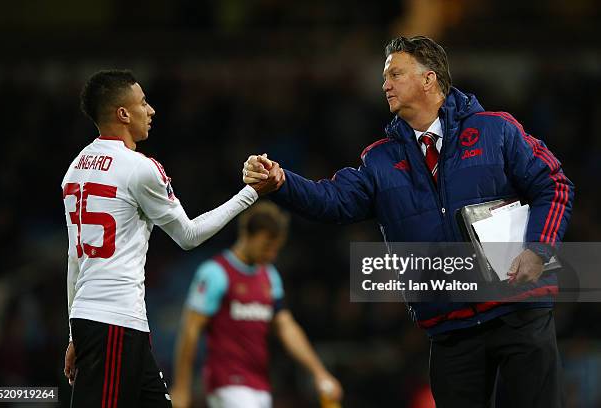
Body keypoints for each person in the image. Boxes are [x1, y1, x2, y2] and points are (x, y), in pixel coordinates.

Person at [242, 36, 574, 407]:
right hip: (451, 326)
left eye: (395, 74)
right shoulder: (380, 161)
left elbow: (554, 184)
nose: (385, 84)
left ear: (428, 79)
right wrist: (282, 182)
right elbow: (332, 201)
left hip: (519, 310)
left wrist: (539, 250)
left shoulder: (496, 130)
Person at [61, 70, 283, 408]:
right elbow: (189, 235)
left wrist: (75, 332)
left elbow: (75, 260)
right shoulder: (138, 168)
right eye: (143, 103)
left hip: (104, 320)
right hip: (114, 321)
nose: (150, 111)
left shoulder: (74, 170)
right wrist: (251, 193)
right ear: (123, 113)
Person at [170, 201, 342, 408]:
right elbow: (190, 330)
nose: (271, 255)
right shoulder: (215, 272)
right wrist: (181, 387)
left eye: (275, 249)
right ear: (247, 236)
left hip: (260, 383)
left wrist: (319, 373)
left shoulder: (269, 276)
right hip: (227, 382)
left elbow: (287, 328)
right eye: (266, 247)